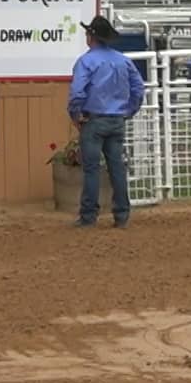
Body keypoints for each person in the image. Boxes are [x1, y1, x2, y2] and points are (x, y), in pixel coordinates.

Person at [68, 15, 145, 228]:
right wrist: (129, 110)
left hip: (94, 119)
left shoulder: (86, 61)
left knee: (92, 168)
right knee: (116, 167)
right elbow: (138, 89)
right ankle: (122, 215)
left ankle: (89, 216)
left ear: (91, 36)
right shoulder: (123, 60)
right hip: (116, 118)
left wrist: (76, 114)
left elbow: (76, 93)